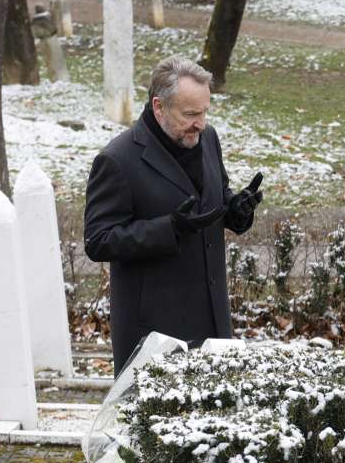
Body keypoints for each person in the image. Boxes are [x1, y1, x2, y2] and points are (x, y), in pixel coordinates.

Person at [84, 56, 265, 373]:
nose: (201, 122)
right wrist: (168, 229)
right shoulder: (117, 160)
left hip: (212, 323)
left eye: (205, 112)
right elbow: (98, 241)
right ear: (159, 106)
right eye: (191, 114)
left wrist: (236, 211)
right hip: (155, 333)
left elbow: (216, 194)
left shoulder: (206, 138)